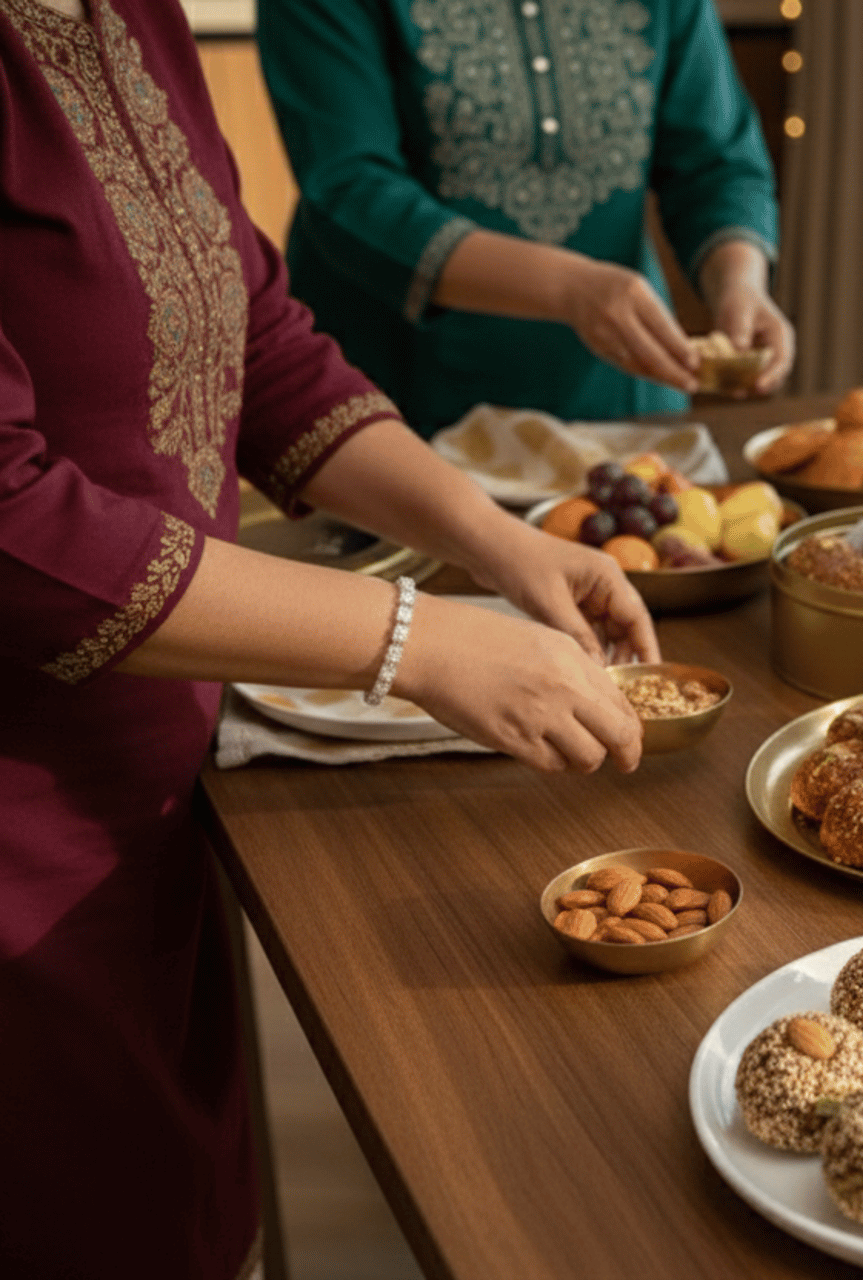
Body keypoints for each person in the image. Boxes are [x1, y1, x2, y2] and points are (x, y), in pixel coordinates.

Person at [0, 2, 661, 1275]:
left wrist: (504, 543)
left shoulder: (130, 14)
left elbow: (261, 347)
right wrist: (413, 638)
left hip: (151, 798)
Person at [256, 0, 793, 435]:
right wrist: (569, 289)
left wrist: (740, 285)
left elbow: (716, 161)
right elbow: (350, 189)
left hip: (623, 411)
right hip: (395, 416)